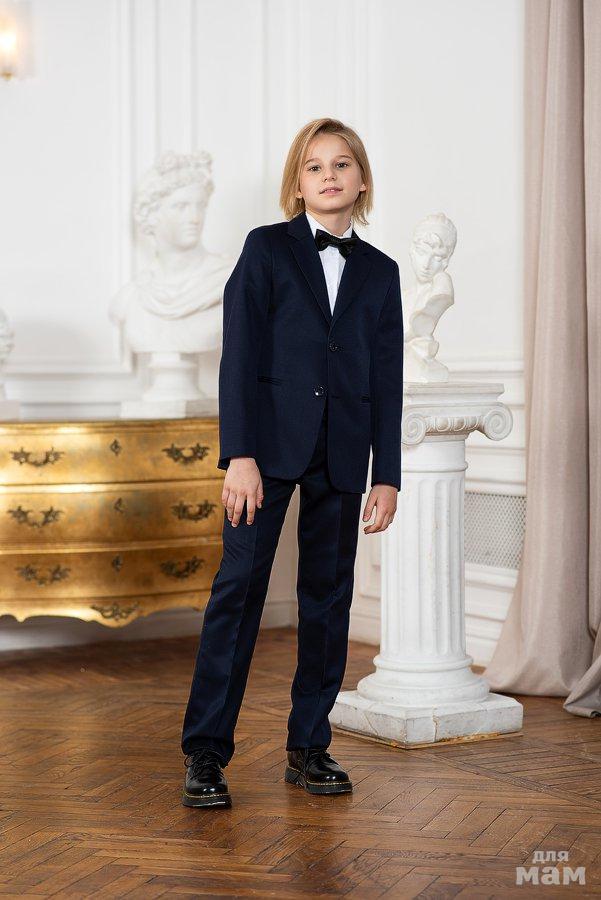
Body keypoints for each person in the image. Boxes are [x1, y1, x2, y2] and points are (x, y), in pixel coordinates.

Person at [181, 117, 404, 808]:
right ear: (297, 183)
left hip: (343, 452)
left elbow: (388, 378)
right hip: (266, 451)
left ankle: (309, 747)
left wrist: (387, 473)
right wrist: (239, 455)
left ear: (361, 180)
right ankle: (206, 751)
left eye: (341, 164)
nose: (328, 175)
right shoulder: (266, 248)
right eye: (314, 166)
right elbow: (239, 355)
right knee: (238, 592)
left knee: (328, 601)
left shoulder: (381, 272)